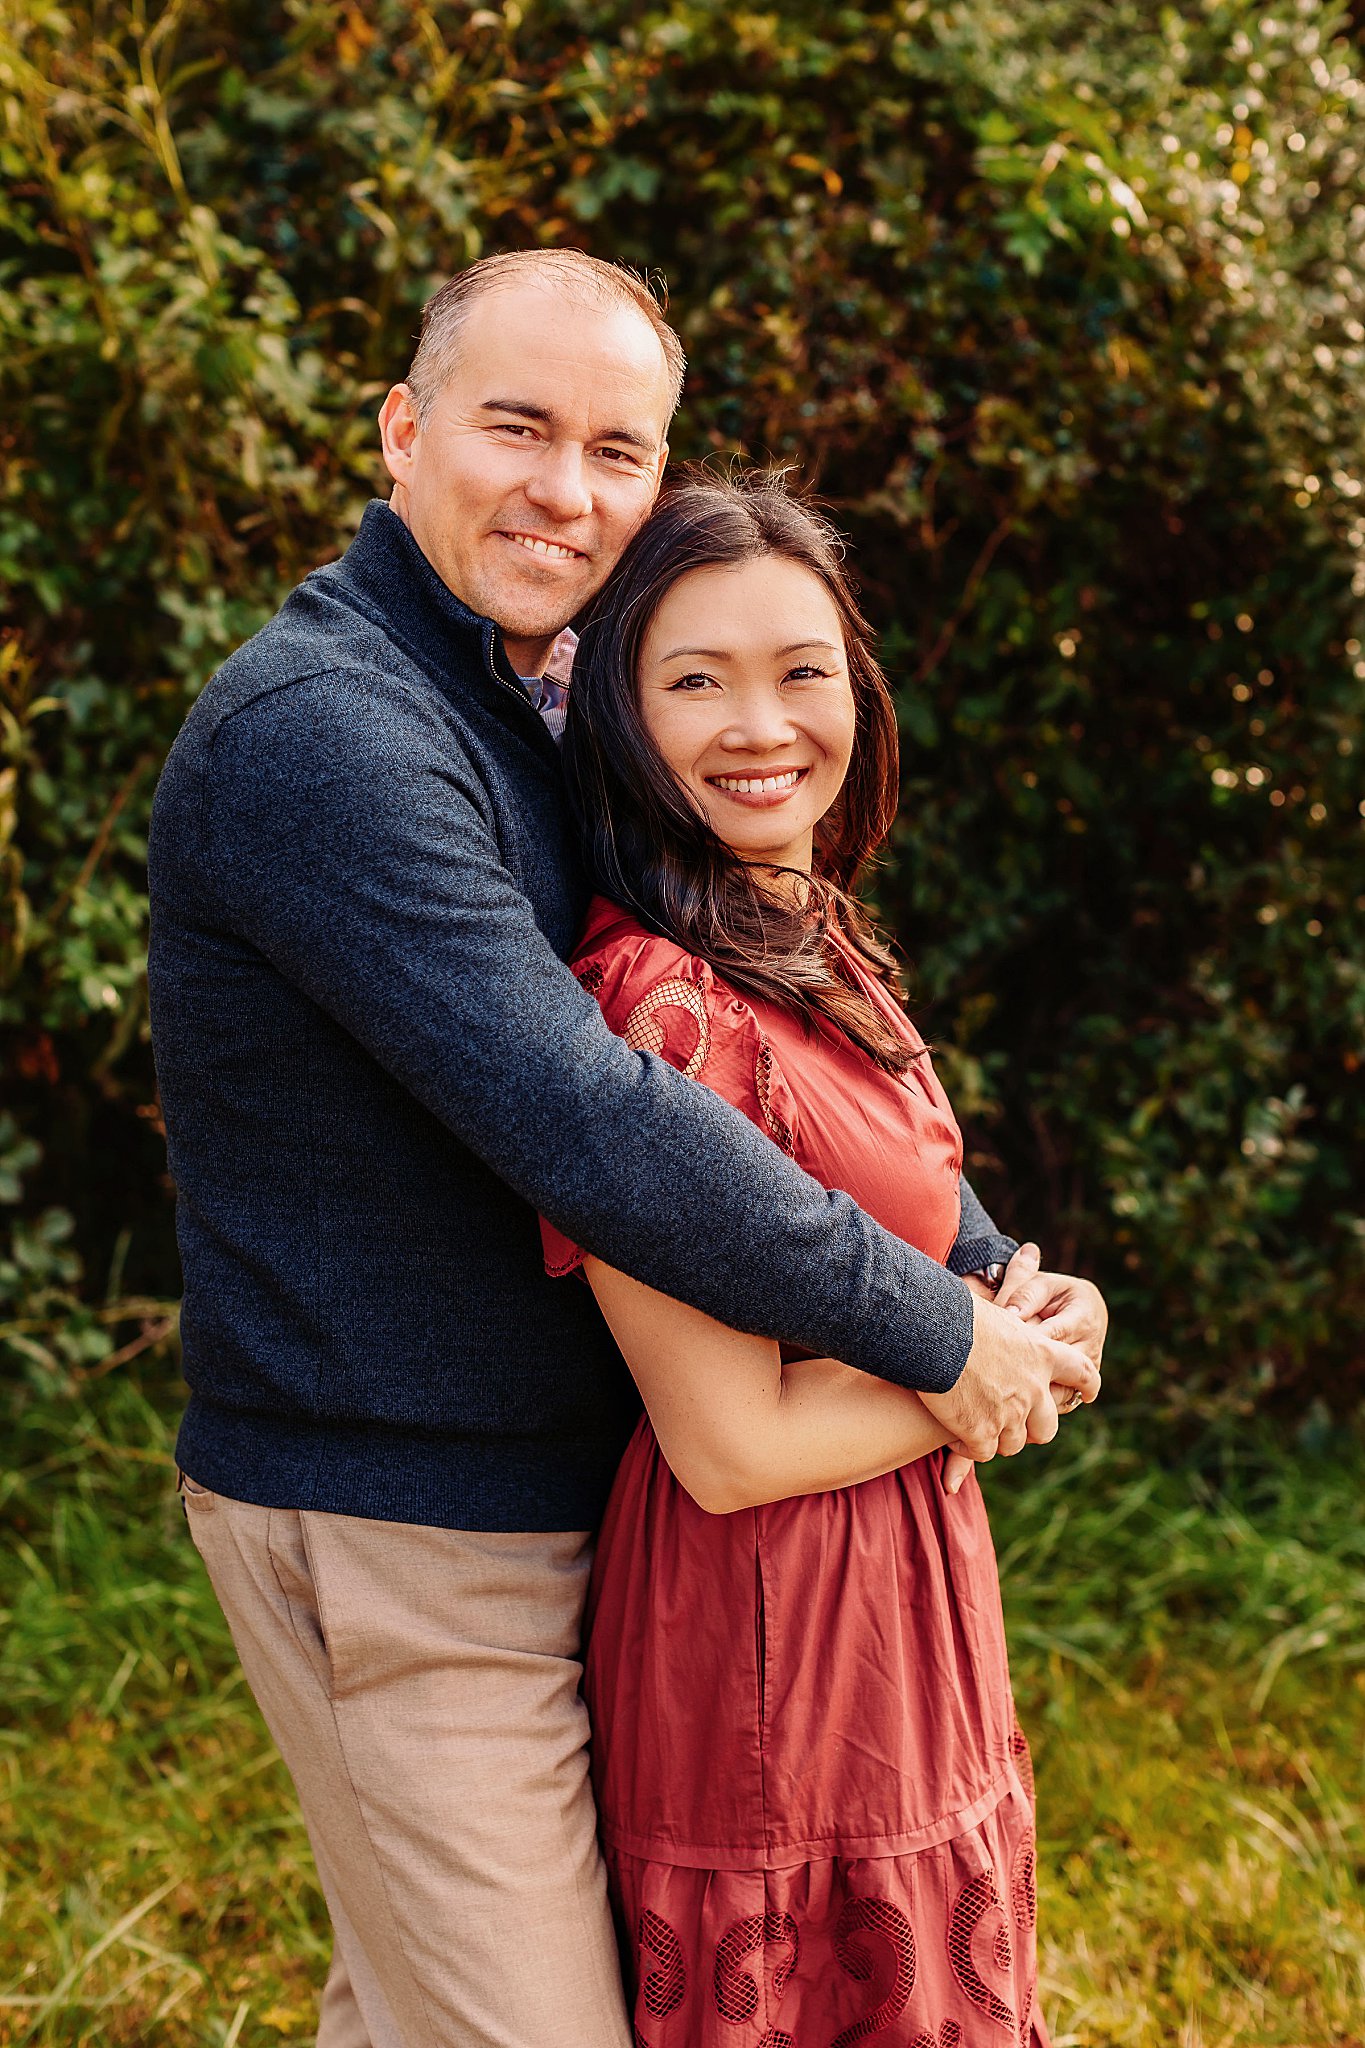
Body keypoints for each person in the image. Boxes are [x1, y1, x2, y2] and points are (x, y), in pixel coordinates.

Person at [147, 250, 1103, 2048]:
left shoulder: (533, 699)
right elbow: (594, 1117)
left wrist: (974, 1255)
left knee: (428, 2005)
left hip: (579, 1508)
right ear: (401, 429)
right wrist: (944, 1338)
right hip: (400, 1525)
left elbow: (776, 1034)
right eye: (517, 426)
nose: (566, 491)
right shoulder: (327, 735)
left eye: (619, 447)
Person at [546, 468, 1090, 2044]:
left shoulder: (804, 933)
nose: (758, 723)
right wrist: (997, 1374)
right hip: (766, 1620)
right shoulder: (656, 1005)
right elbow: (728, 1447)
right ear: (622, 721)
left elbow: (924, 1226)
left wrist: (1039, 1301)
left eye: (798, 671)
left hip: (908, 1573)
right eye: (693, 681)